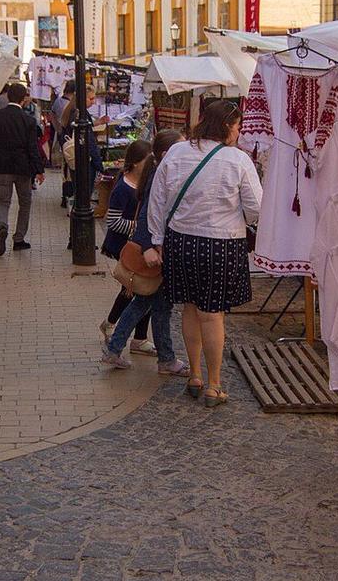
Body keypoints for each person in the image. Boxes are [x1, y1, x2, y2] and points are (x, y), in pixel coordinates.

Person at [142, 101, 261, 406]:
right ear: (226, 127)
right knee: (212, 314)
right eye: (237, 126)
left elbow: (158, 199)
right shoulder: (238, 160)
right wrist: (241, 218)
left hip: (180, 241)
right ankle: (214, 384)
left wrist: (157, 240)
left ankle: (194, 375)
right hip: (220, 243)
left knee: (191, 309)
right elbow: (256, 208)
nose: (239, 131)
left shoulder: (178, 152)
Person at [100, 130, 189, 375]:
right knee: (148, 303)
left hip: (158, 249)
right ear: (166, 153)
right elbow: (148, 215)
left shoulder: (158, 174)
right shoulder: (158, 178)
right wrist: (149, 246)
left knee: (156, 305)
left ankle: (161, 358)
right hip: (156, 251)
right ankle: (125, 350)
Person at [99, 140, 155, 349]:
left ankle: (137, 336)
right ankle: (113, 325)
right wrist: (139, 226)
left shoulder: (142, 183)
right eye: (147, 160)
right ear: (135, 162)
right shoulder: (123, 188)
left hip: (134, 244)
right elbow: (112, 221)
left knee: (141, 289)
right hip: (124, 245)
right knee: (134, 287)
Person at [0, 82, 46, 255]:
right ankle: (19, 239)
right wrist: (39, 169)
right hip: (23, 168)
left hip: (1, 166)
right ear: (24, 99)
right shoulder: (28, 121)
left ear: (8, 96)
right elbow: (32, 147)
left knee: (3, 202)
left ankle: (2, 226)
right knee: (25, 203)